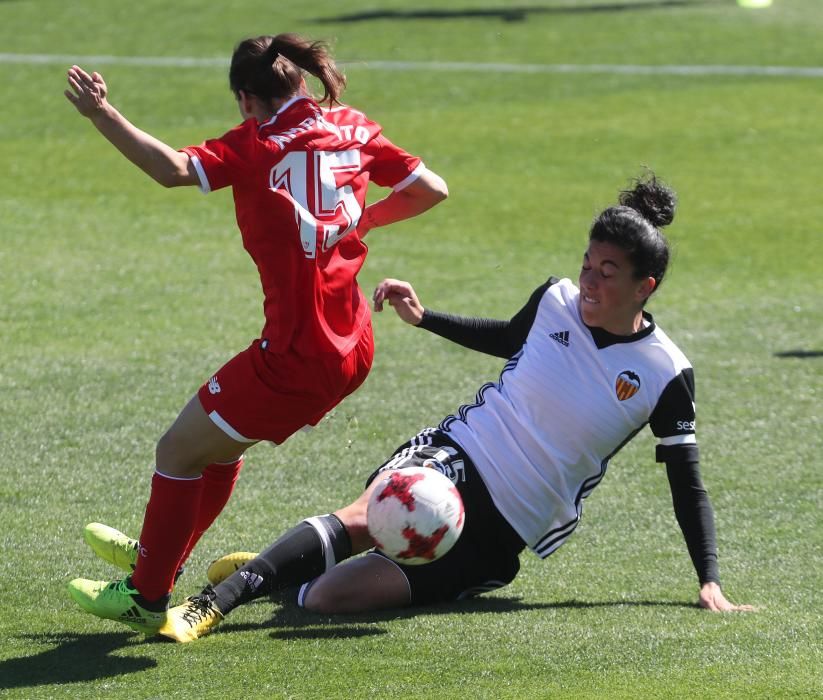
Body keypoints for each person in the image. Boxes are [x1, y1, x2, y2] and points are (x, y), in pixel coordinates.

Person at [87, 172, 752, 642]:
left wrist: (708, 580)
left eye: (607, 272)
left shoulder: (664, 371)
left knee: (324, 601)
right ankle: (215, 602)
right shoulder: (554, 300)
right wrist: (425, 316)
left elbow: (684, 482)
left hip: (504, 528)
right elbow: (509, 339)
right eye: (587, 262)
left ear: (645, 285)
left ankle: (286, 572)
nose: (588, 280)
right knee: (365, 519)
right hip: (461, 453)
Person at [64, 32, 448, 634]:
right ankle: (159, 559)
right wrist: (361, 221)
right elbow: (431, 189)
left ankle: (144, 594)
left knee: (176, 451)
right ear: (301, 80)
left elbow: (169, 170)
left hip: (295, 356)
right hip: (353, 344)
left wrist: (100, 112)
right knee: (217, 450)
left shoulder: (257, 144)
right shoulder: (354, 126)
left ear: (247, 99)